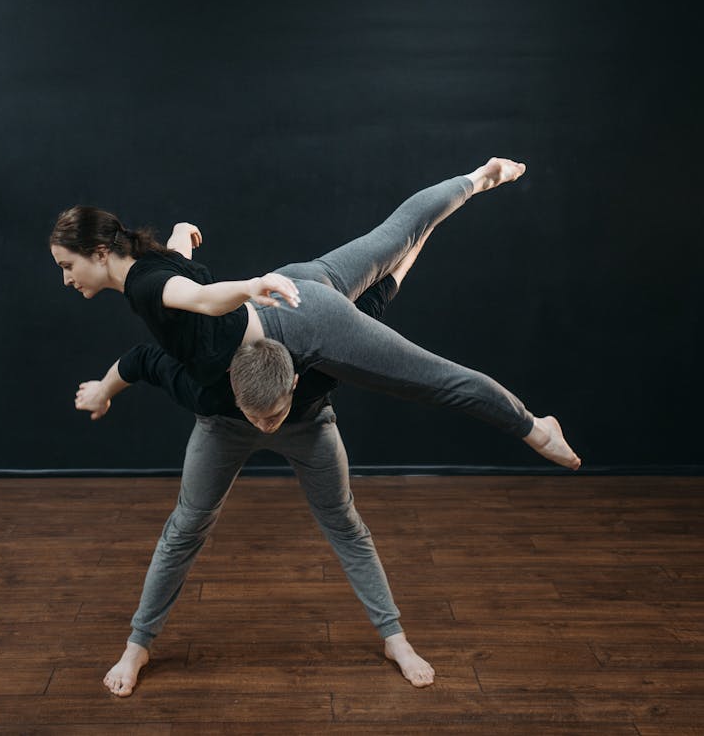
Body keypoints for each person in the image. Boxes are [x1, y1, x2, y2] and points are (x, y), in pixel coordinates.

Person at [51, 157, 580, 471]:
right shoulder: (150, 267)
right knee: (393, 236)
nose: (67, 278)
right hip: (298, 282)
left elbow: (200, 300)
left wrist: (249, 288)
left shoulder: (144, 286)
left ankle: (534, 427)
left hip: (297, 318)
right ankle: (478, 177)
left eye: (67, 265)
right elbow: (179, 283)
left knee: (435, 379)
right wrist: (181, 234)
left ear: (99, 254)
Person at [75, 238, 437, 696]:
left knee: (345, 523)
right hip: (223, 426)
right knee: (185, 528)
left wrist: (416, 236)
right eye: (259, 416)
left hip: (308, 424)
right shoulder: (204, 383)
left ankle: (395, 640)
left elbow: (386, 283)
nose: (266, 428)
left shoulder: (318, 360)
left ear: (296, 380)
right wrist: (104, 391)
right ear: (232, 384)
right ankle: (137, 645)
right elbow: (139, 360)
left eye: (272, 416)